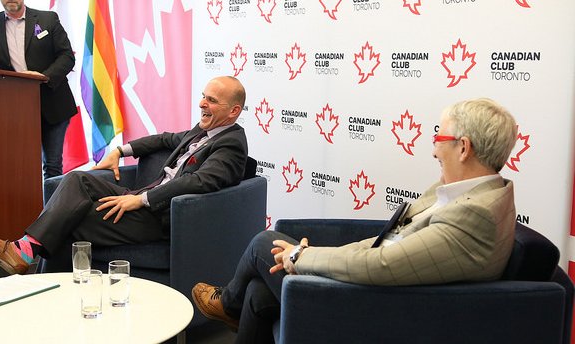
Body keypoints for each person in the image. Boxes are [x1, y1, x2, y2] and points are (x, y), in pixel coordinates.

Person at [192, 98, 518, 343]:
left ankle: (227, 305)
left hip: (374, 308)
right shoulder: (462, 192)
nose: (433, 150)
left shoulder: (474, 214)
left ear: (464, 148)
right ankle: (234, 303)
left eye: (439, 138)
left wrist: (301, 257)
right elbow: (388, 240)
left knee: (265, 243)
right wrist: (312, 255)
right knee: (259, 293)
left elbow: (383, 265)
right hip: (378, 287)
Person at [0, 76, 248, 275]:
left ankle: (23, 257)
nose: (202, 104)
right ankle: (23, 253)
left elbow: (201, 181)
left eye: (211, 100)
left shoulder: (232, 143)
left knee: (72, 219)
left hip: (163, 216)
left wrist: (143, 199)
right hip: (143, 199)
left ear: (233, 111)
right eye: (203, 96)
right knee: (76, 179)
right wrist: (120, 151)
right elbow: (164, 139)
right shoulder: (202, 130)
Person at [0, 0, 77, 179]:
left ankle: (53, 207)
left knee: (52, 165)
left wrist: (43, 77)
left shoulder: (47, 19)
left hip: (53, 103)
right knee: (22, 165)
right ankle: (29, 207)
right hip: (15, 109)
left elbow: (66, 57)